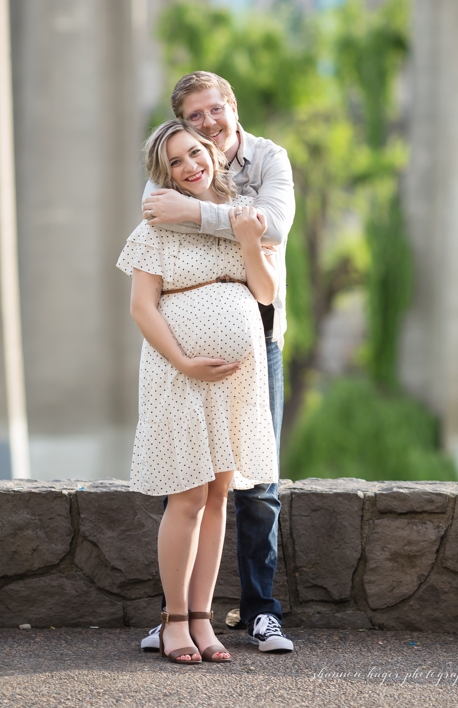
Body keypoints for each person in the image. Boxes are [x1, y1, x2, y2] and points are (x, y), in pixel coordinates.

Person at [137, 71, 297, 656]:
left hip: (251, 360)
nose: (205, 128)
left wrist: (223, 221)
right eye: (191, 123)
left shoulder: (265, 166)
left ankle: (240, 614)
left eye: (212, 115)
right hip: (178, 368)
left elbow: (269, 244)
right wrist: (180, 358)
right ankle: (174, 615)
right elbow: (144, 294)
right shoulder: (163, 199)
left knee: (246, 491)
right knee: (184, 493)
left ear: (230, 110)